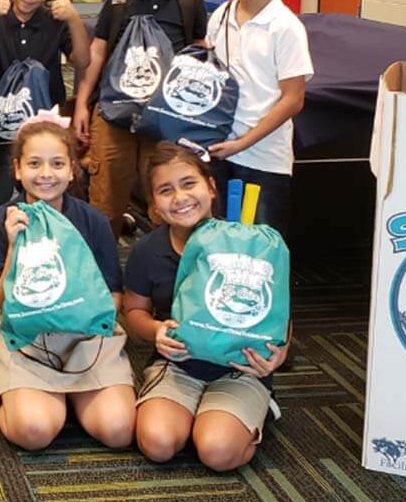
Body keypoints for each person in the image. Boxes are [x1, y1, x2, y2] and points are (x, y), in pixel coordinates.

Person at [124, 141, 290, 470]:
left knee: (218, 453)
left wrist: (280, 352)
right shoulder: (147, 250)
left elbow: (279, 307)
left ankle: (244, 413)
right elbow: (133, 313)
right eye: (165, 190)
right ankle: (199, 416)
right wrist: (156, 331)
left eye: (189, 184)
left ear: (211, 187)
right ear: (154, 205)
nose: (181, 198)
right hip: (177, 364)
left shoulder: (251, 241)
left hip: (239, 369)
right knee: (157, 444)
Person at [0, 119, 135, 451]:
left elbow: (113, 295)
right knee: (33, 432)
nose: (46, 174)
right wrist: (12, 246)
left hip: (85, 334)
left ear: (72, 170)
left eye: (57, 163)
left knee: (118, 430)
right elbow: (1, 302)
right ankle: (37, 396)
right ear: (17, 170)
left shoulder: (93, 220)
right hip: (24, 334)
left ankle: (68, 397)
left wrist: (72, 319)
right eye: (34, 164)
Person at [72, 0, 206, 236]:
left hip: (164, 120)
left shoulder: (189, 0)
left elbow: (200, 55)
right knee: (105, 197)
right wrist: (81, 104)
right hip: (113, 115)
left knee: (165, 196)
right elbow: (98, 52)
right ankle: (102, 271)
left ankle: (162, 268)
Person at [205, 0, 313, 239]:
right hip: (218, 152)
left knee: (258, 253)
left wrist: (243, 142)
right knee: (217, 244)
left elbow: (293, 99)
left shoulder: (285, 27)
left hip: (263, 161)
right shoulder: (221, 15)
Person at [0, 0, 90, 215]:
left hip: (47, 119)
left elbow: (82, 60)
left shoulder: (55, 21)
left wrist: (74, 19)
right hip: (4, 119)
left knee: (49, 185)